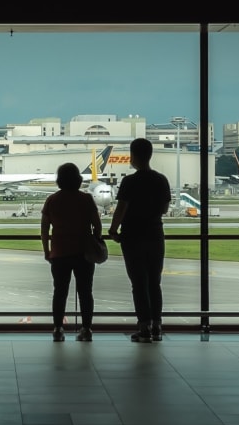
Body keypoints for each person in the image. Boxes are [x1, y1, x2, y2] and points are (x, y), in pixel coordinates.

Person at [108, 137, 171, 343]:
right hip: (155, 234)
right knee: (155, 283)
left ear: (133, 156)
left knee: (138, 283)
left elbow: (121, 208)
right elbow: (164, 209)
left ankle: (143, 327)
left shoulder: (129, 182)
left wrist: (113, 229)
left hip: (132, 236)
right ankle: (157, 326)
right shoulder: (161, 180)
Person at [40, 163, 102, 342]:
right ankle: (87, 329)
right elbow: (97, 226)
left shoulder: (52, 200)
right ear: (78, 179)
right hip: (84, 253)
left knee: (60, 292)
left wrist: (47, 251)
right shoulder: (86, 199)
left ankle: (58, 329)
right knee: (85, 292)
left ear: (59, 180)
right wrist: (94, 241)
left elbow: (44, 229)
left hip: (59, 253)